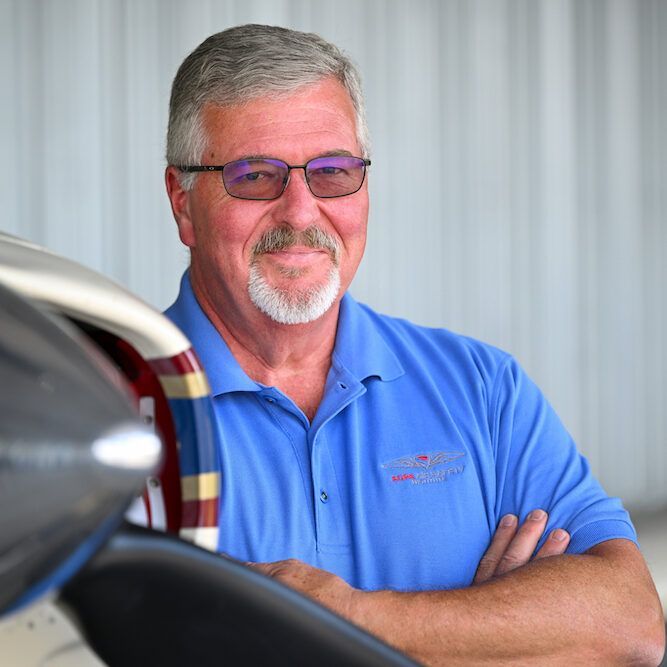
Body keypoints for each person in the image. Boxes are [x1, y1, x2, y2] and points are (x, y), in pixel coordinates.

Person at [163, 24, 664, 666]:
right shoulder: (108, 407)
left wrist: (347, 618)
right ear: (183, 203)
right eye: (255, 176)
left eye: (333, 173)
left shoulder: (481, 387)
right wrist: (486, 632)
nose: (301, 211)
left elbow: (631, 623)